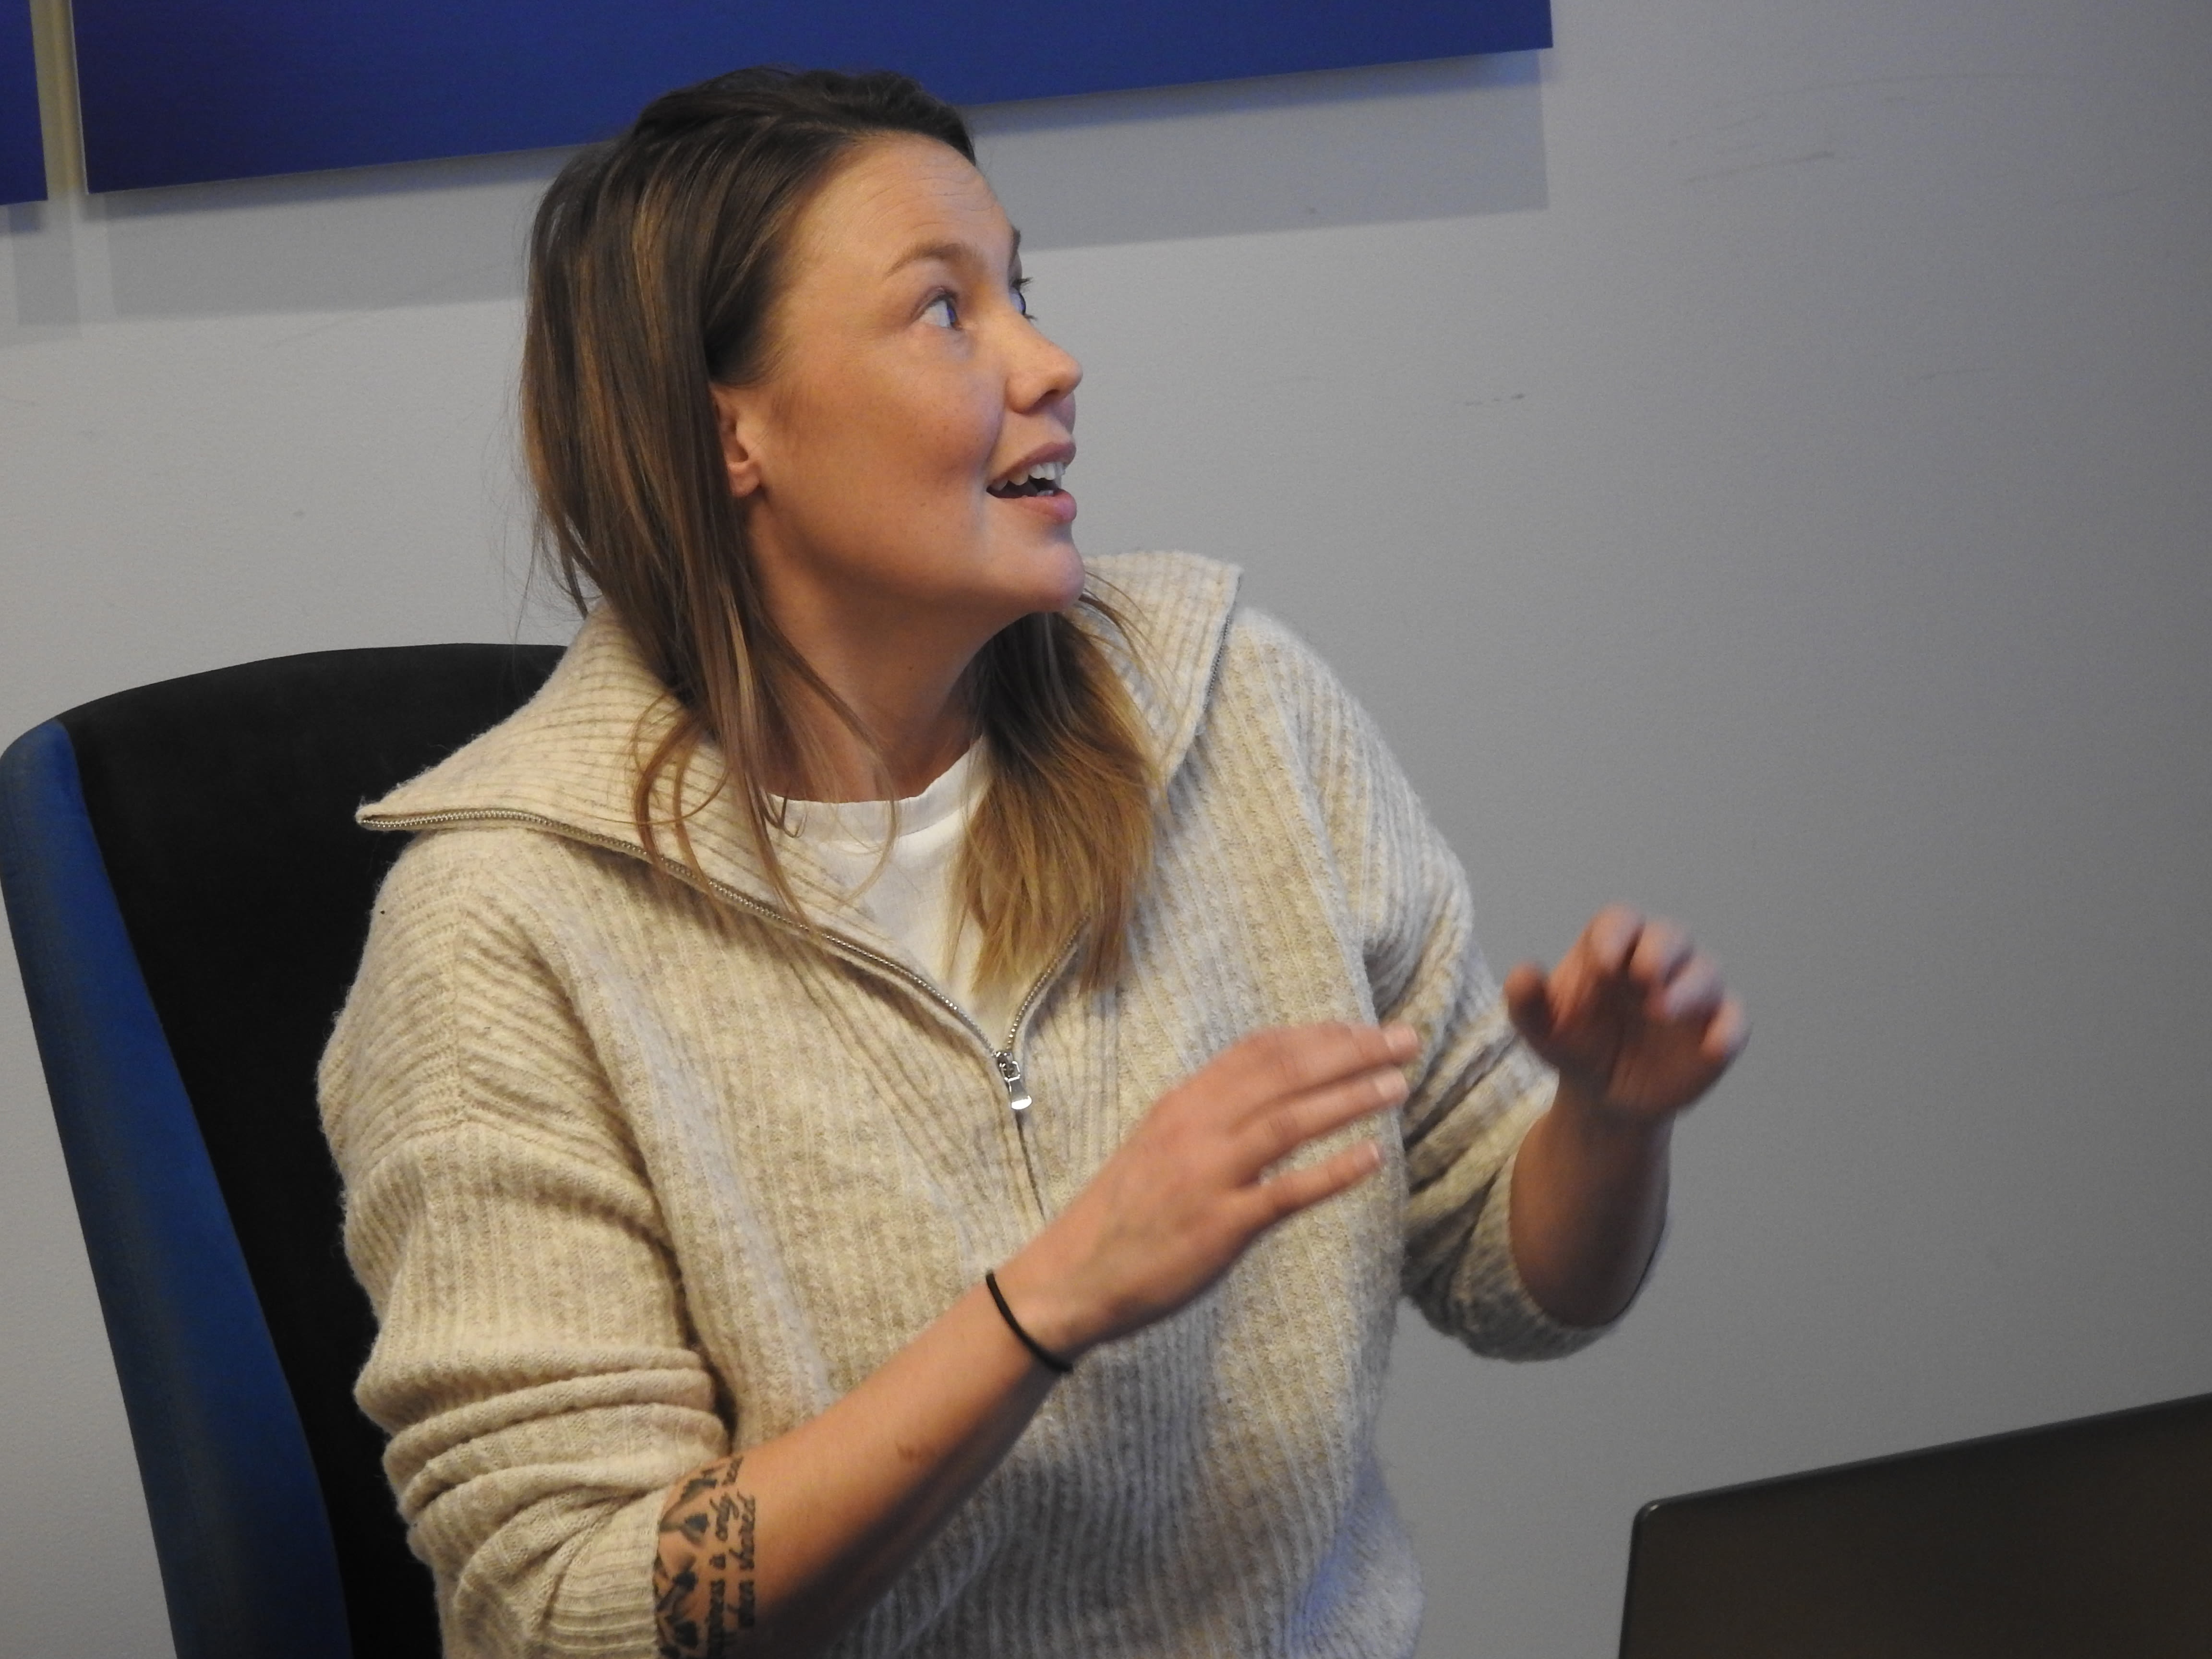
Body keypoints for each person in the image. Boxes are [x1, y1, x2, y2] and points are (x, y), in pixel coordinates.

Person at [319, 66, 1746, 1659]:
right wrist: (1044, 1306)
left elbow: (1517, 1276)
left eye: (1023, 293)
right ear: (732, 429)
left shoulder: (1242, 714)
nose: (1052, 363)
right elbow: (564, 1611)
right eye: (946, 311)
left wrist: (1608, 1126)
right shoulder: (500, 928)